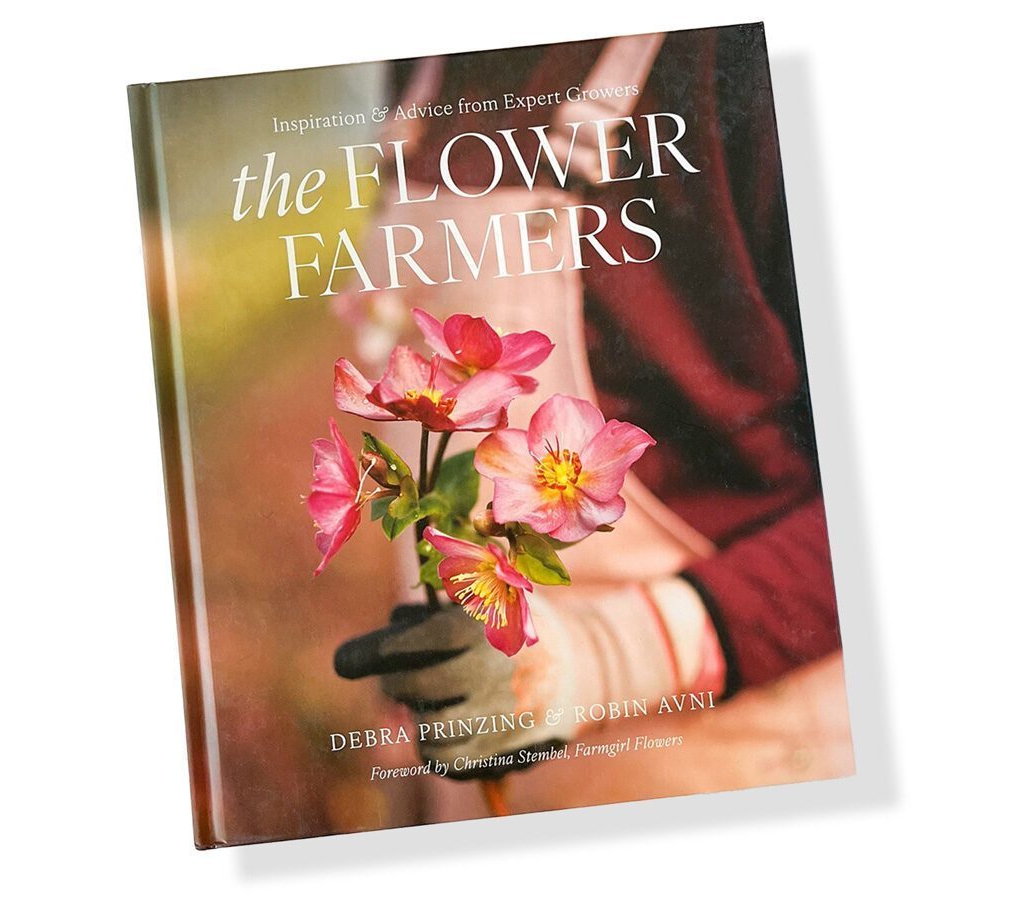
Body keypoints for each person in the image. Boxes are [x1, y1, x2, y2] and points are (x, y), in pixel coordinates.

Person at [334, 25, 843, 783]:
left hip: (721, 760)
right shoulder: (421, 62)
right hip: (473, 759)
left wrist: (604, 658)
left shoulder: (740, 59)